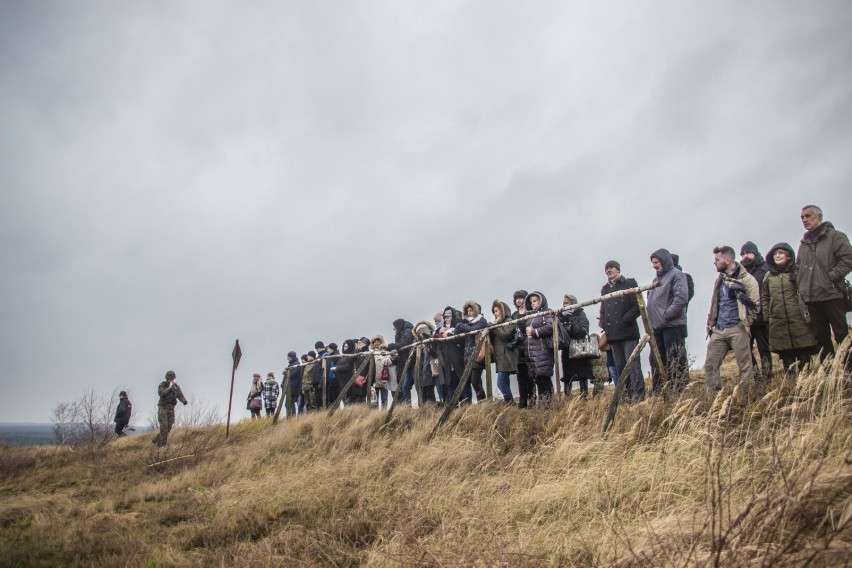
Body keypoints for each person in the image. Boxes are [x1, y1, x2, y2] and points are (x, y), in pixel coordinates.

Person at [797, 205, 852, 369]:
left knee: (842, 334)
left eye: (808, 216)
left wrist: (831, 277)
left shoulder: (836, 236)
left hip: (832, 295)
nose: (805, 220)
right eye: (802, 218)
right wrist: (801, 283)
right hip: (812, 299)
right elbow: (798, 267)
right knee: (821, 338)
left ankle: (848, 370)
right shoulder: (804, 244)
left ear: (819, 217)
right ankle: (828, 372)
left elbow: (848, 260)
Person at [704, 245, 760, 398]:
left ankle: (746, 398)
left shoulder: (747, 280)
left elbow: (755, 306)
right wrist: (711, 322)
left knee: (745, 366)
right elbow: (715, 301)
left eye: (717, 259)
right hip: (719, 329)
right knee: (710, 364)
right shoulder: (720, 279)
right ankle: (714, 399)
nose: (714, 263)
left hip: (738, 327)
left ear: (727, 260)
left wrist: (745, 324)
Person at [762, 243, 818, 374]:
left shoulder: (797, 271)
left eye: (781, 253)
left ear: (788, 256)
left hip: (799, 319)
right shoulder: (769, 276)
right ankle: (791, 386)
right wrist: (767, 317)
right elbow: (765, 297)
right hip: (778, 321)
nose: (777, 255)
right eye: (775, 254)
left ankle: (806, 384)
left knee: (803, 354)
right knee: (787, 357)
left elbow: (806, 291)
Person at [598, 260, 645, 401]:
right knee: (620, 366)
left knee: (632, 364)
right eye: (606, 268)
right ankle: (627, 394)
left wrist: (625, 319)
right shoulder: (604, 289)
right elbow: (603, 309)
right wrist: (604, 323)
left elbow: (637, 306)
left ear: (618, 269)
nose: (608, 270)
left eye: (611, 267)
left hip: (628, 332)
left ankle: (639, 394)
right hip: (613, 334)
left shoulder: (629, 283)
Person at [646, 249, 690, 394]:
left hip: (672, 325)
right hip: (658, 327)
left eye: (656, 262)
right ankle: (660, 393)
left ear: (664, 261)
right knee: (656, 360)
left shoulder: (677, 275)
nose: (654, 265)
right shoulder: (656, 280)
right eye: (652, 263)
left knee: (675, 360)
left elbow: (681, 298)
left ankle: (678, 392)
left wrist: (666, 315)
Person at [740, 241, 773, 378]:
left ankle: (767, 375)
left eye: (748, 252)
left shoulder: (765, 269)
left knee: (763, 348)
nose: (745, 256)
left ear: (755, 253)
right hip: (746, 318)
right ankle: (756, 376)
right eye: (742, 254)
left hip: (761, 316)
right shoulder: (741, 272)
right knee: (745, 348)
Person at [560, 294, 599, 398]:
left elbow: (585, 329)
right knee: (567, 375)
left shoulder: (580, 314)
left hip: (579, 347)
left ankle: (584, 395)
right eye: (564, 303)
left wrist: (572, 328)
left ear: (573, 303)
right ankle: (567, 396)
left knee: (582, 374)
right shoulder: (560, 316)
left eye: (567, 303)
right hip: (566, 348)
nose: (565, 305)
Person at [450, 300, 489, 404]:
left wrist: (461, 326)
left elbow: (474, 329)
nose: (469, 313)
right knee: (474, 382)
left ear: (476, 311)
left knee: (475, 382)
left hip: (477, 355)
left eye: (471, 310)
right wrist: (461, 323)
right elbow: (457, 336)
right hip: (467, 356)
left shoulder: (482, 320)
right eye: (467, 311)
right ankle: (482, 403)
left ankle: (484, 403)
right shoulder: (465, 323)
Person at [524, 291, 554, 400]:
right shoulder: (530, 316)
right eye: (531, 301)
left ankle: (550, 405)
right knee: (538, 380)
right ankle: (543, 407)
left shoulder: (547, 312)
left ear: (541, 301)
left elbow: (551, 327)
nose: (533, 303)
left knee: (545, 379)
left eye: (535, 301)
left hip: (543, 351)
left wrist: (534, 332)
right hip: (532, 352)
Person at [511, 290, 536, 408]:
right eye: (517, 298)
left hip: (529, 346)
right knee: (520, 378)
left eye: (521, 298)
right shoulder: (514, 315)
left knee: (530, 376)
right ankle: (522, 402)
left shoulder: (530, 312)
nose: (519, 300)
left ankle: (533, 400)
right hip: (518, 350)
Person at [435, 307, 465, 404]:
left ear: (452, 317)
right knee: (451, 387)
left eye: (448, 317)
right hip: (447, 364)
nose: (446, 319)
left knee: (462, 386)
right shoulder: (441, 329)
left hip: (458, 361)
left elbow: (461, 341)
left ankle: (465, 408)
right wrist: (438, 334)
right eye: (444, 317)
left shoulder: (458, 326)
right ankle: (453, 410)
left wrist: (448, 334)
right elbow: (434, 343)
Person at [490, 299, 518, 404]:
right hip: (500, 357)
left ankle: (510, 402)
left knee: (501, 383)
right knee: (505, 382)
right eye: (494, 312)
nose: (495, 314)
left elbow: (505, 335)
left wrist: (495, 328)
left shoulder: (509, 321)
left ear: (503, 311)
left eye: (497, 311)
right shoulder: (498, 323)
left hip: (507, 356)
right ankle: (509, 403)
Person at [153, 370, 187, 446]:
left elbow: (180, 395)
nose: (171, 380)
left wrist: (184, 401)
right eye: (169, 379)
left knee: (169, 426)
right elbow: (161, 393)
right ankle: (162, 445)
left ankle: (156, 439)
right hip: (163, 408)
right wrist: (169, 388)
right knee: (164, 426)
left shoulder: (176, 387)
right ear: (167, 378)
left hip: (171, 409)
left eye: (172, 379)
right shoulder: (162, 385)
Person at [388, 319, 415, 403]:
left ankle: (412, 405)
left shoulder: (407, 331)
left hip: (412, 363)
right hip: (407, 364)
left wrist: (389, 346)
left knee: (415, 386)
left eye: (394, 327)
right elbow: (399, 347)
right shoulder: (401, 333)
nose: (393, 329)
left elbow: (403, 343)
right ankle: (406, 406)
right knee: (405, 387)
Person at [414, 321, 438, 405]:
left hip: (431, 369)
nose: (420, 333)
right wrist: (417, 350)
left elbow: (435, 352)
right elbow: (411, 356)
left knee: (430, 392)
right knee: (423, 394)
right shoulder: (415, 342)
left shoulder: (431, 339)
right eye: (418, 332)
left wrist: (428, 349)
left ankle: (432, 410)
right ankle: (425, 411)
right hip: (420, 371)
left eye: (422, 330)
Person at [370, 335, 394, 408]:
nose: (377, 343)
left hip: (384, 379)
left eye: (378, 342)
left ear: (381, 342)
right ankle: (375, 416)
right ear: (373, 344)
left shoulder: (385, 352)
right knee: (374, 401)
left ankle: (383, 415)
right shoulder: (371, 353)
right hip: (374, 380)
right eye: (375, 342)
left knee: (384, 399)